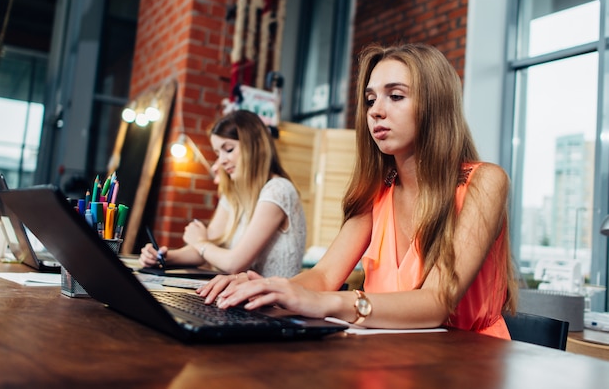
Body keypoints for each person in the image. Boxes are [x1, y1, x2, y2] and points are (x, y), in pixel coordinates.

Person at [198, 43, 518, 339]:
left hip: (472, 361)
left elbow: (437, 302)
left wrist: (328, 304)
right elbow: (323, 276)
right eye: (370, 99)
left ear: (435, 104)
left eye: (395, 96)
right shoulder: (377, 192)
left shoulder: (485, 182)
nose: (376, 111)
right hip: (389, 355)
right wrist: (269, 289)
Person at [139, 109, 307, 278]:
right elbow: (204, 249)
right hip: (243, 297)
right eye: (218, 153)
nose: (221, 161)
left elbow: (234, 264)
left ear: (254, 146)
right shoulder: (233, 195)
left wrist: (199, 241)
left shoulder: (279, 190)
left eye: (228, 149)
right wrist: (162, 257)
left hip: (276, 304)